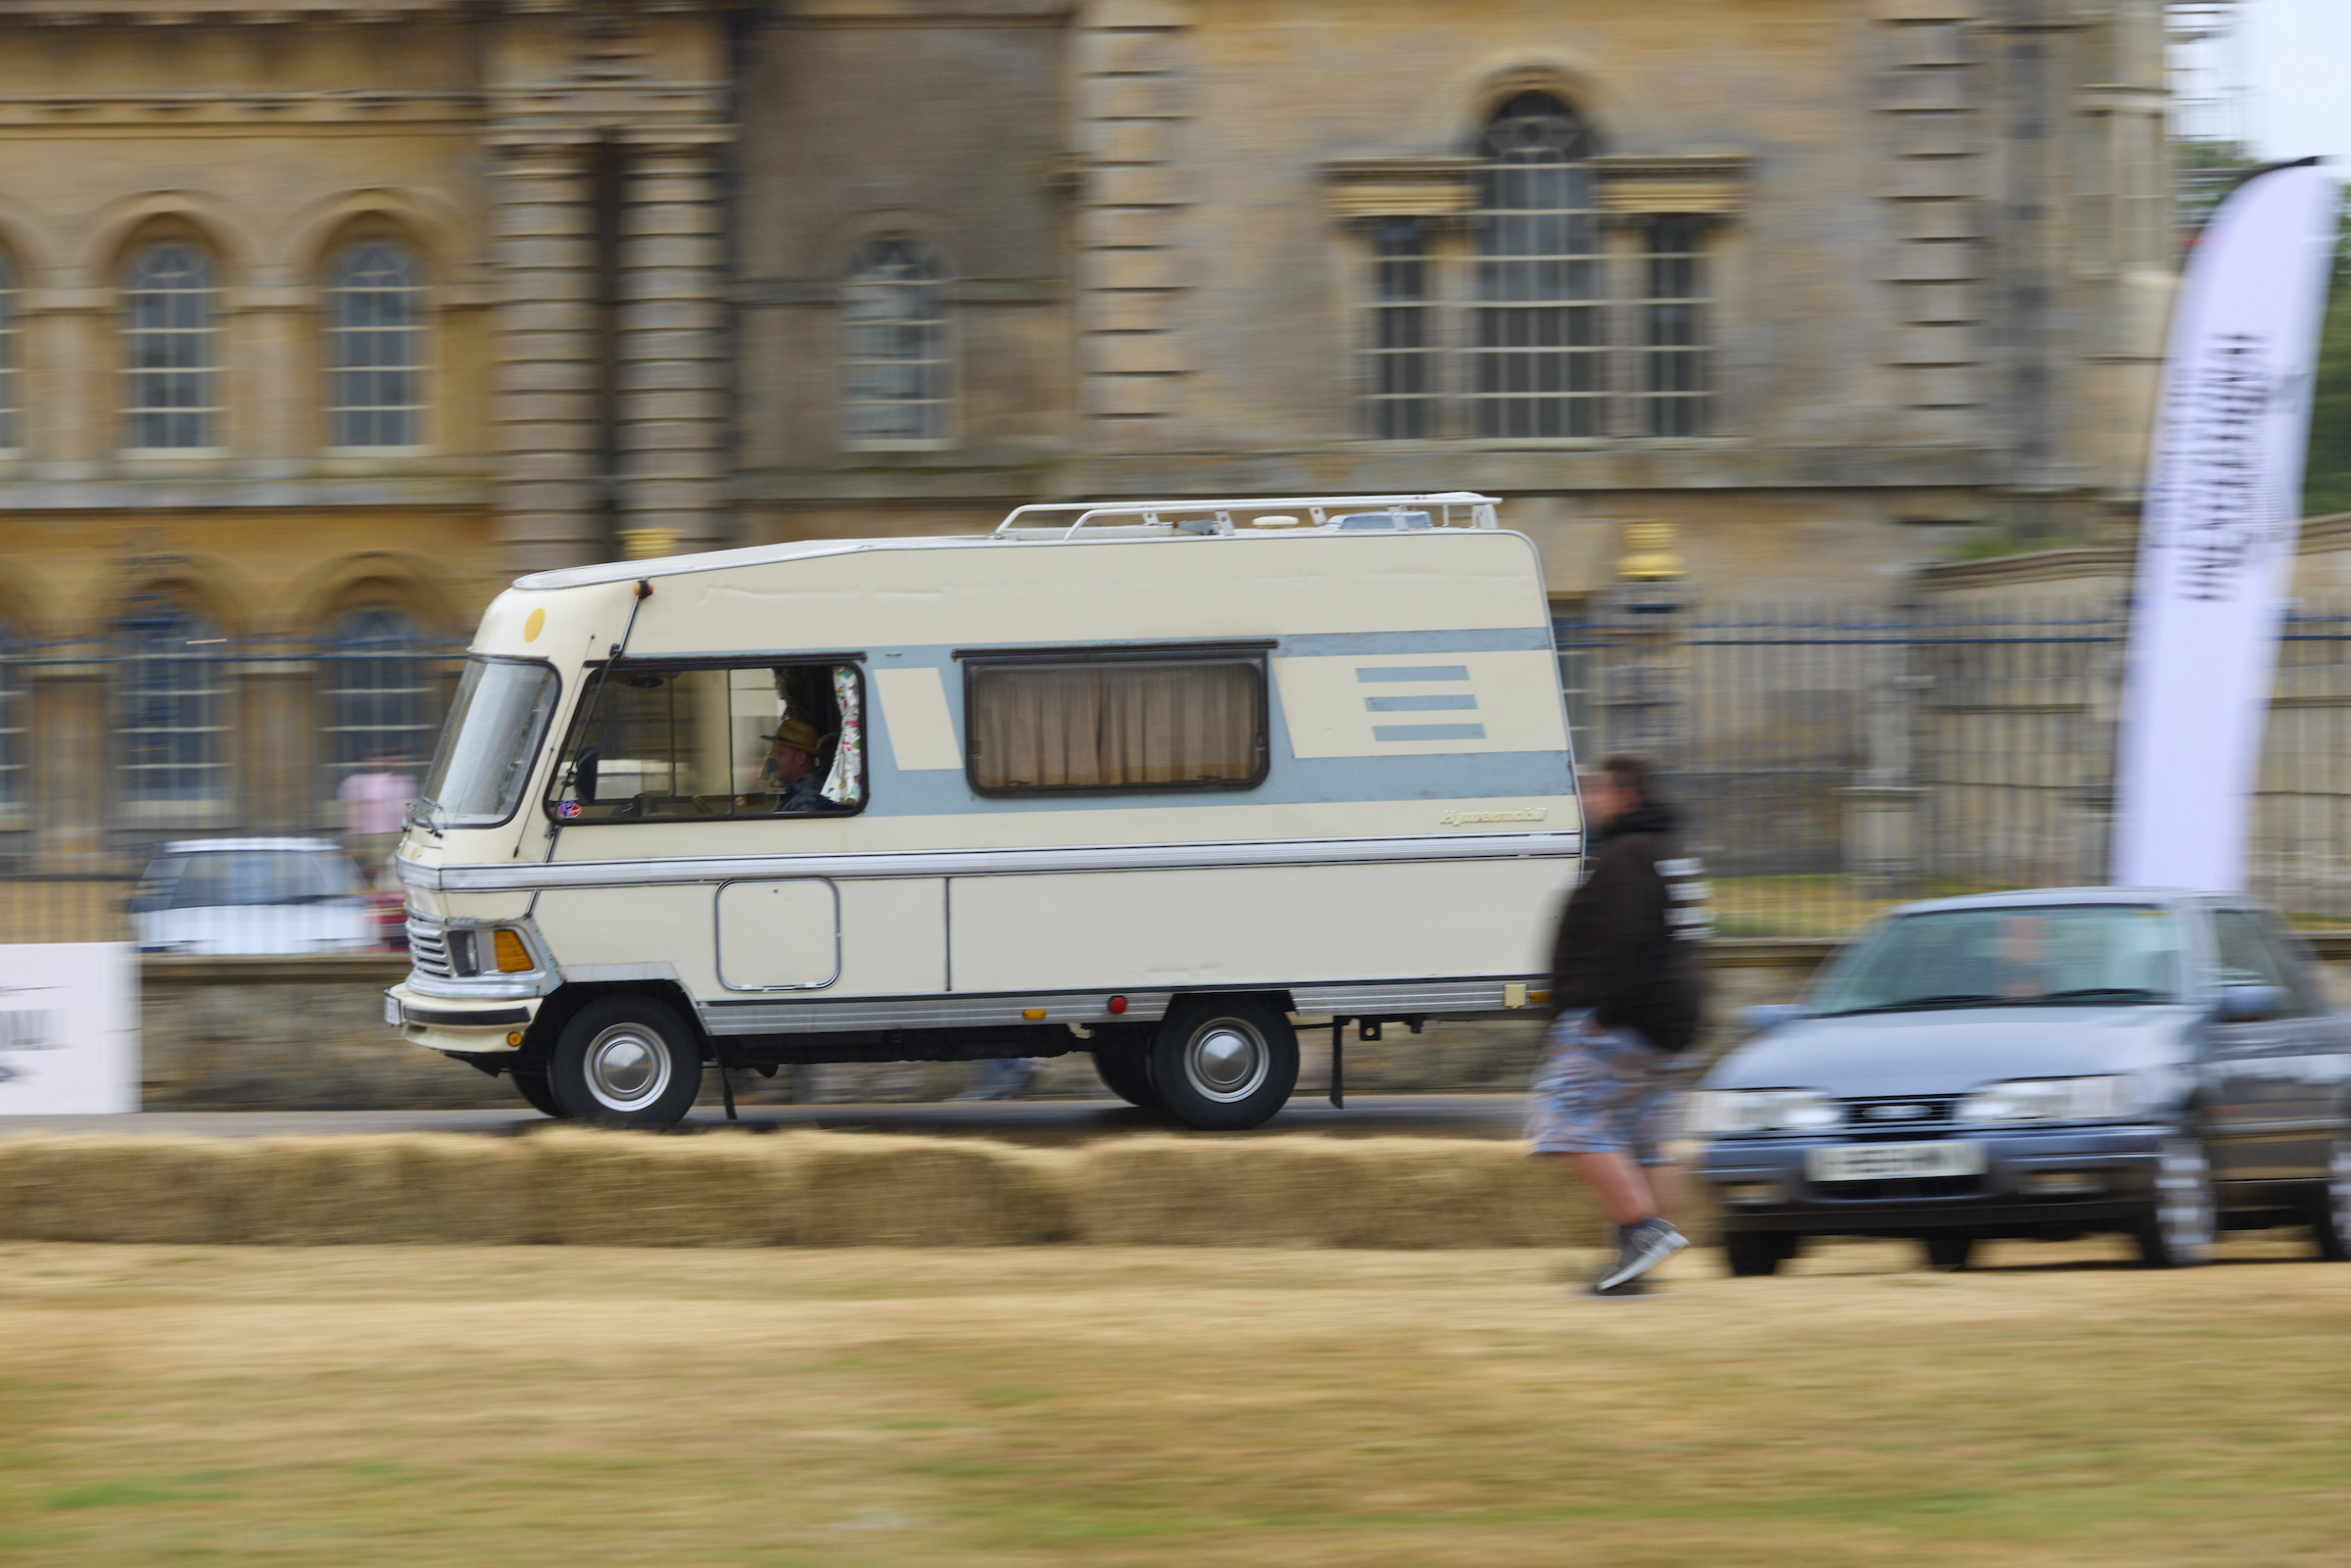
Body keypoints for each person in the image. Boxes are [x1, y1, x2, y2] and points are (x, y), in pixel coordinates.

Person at [1529, 753, 1711, 1298]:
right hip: (1665, 1026)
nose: (1591, 801)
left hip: (1620, 1023)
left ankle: (1640, 1231)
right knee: (1643, 1138)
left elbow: (1626, 943)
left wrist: (1603, 1016)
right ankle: (1638, 1263)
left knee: (1564, 1114)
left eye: (1599, 792)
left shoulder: (1628, 855)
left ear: (1627, 795)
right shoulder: (1665, 853)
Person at [337, 751, 415, 873]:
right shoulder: (355, 782)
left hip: (391, 835)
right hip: (366, 837)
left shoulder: (404, 782)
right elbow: (350, 811)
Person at [756, 719, 833, 814]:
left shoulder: (808, 802)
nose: (773, 759)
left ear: (800, 758)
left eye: (780, 753)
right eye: (773, 753)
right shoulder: (800, 792)